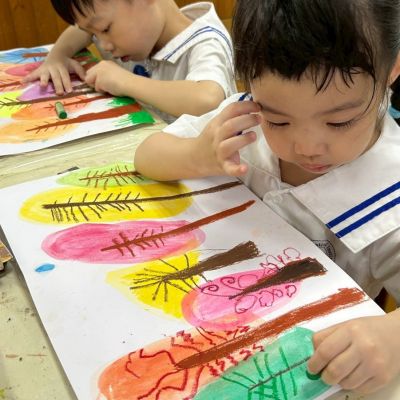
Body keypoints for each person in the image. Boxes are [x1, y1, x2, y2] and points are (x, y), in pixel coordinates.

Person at [134, 0, 400, 394]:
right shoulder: (244, 121)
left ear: (393, 68)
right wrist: (197, 155)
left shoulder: (390, 186)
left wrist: (393, 337)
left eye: (339, 121)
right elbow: (146, 155)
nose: (306, 147)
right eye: (279, 120)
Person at [22, 0, 236, 122]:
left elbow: (207, 99)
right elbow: (80, 31)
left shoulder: (207, 43)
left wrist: (124, 81)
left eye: (105, 29)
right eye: (94, 33)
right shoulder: (130, 35)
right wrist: (57, 56)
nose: (103, 44)